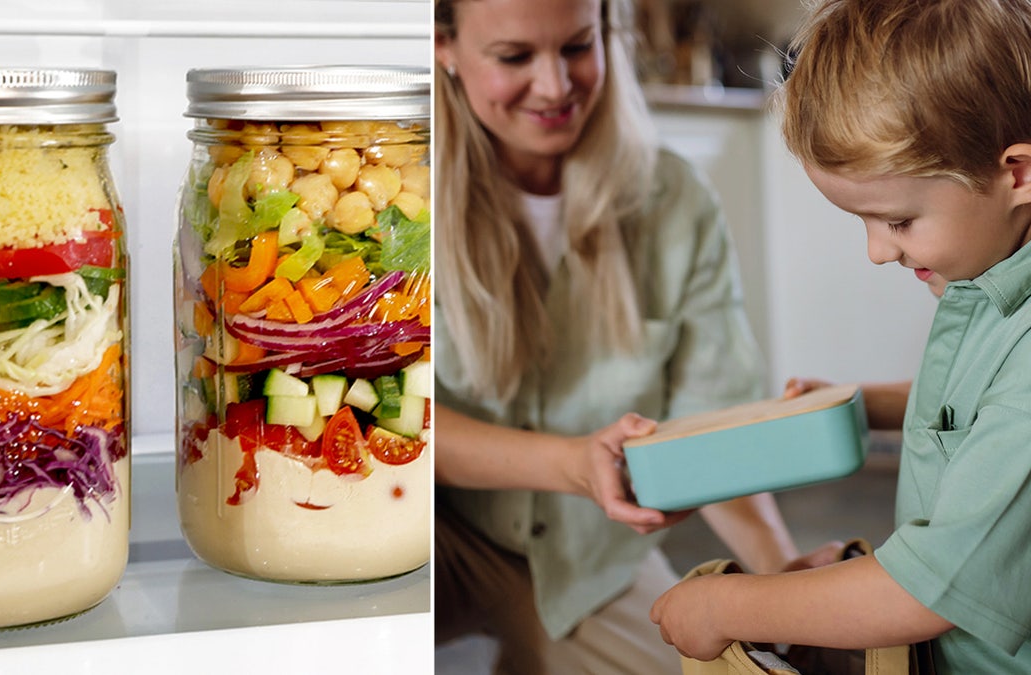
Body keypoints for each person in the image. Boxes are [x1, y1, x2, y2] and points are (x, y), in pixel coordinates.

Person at [432, 0, 836, 672]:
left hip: (587, 557)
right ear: (444, 45)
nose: (556, 86)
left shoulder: (676, 200)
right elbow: (382, 422)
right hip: (437, 535)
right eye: (514, 57)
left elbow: (713, 425)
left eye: (577, 47)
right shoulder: (394, 197)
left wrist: (785, 583)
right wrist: (568, 463)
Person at [650, 0, 1031, 671]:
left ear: (1018, 174)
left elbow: (923, 591)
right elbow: (988, 402)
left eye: (899, 221)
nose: (878, 252)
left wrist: (730, 607)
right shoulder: (987, 272)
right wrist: (876, 402)